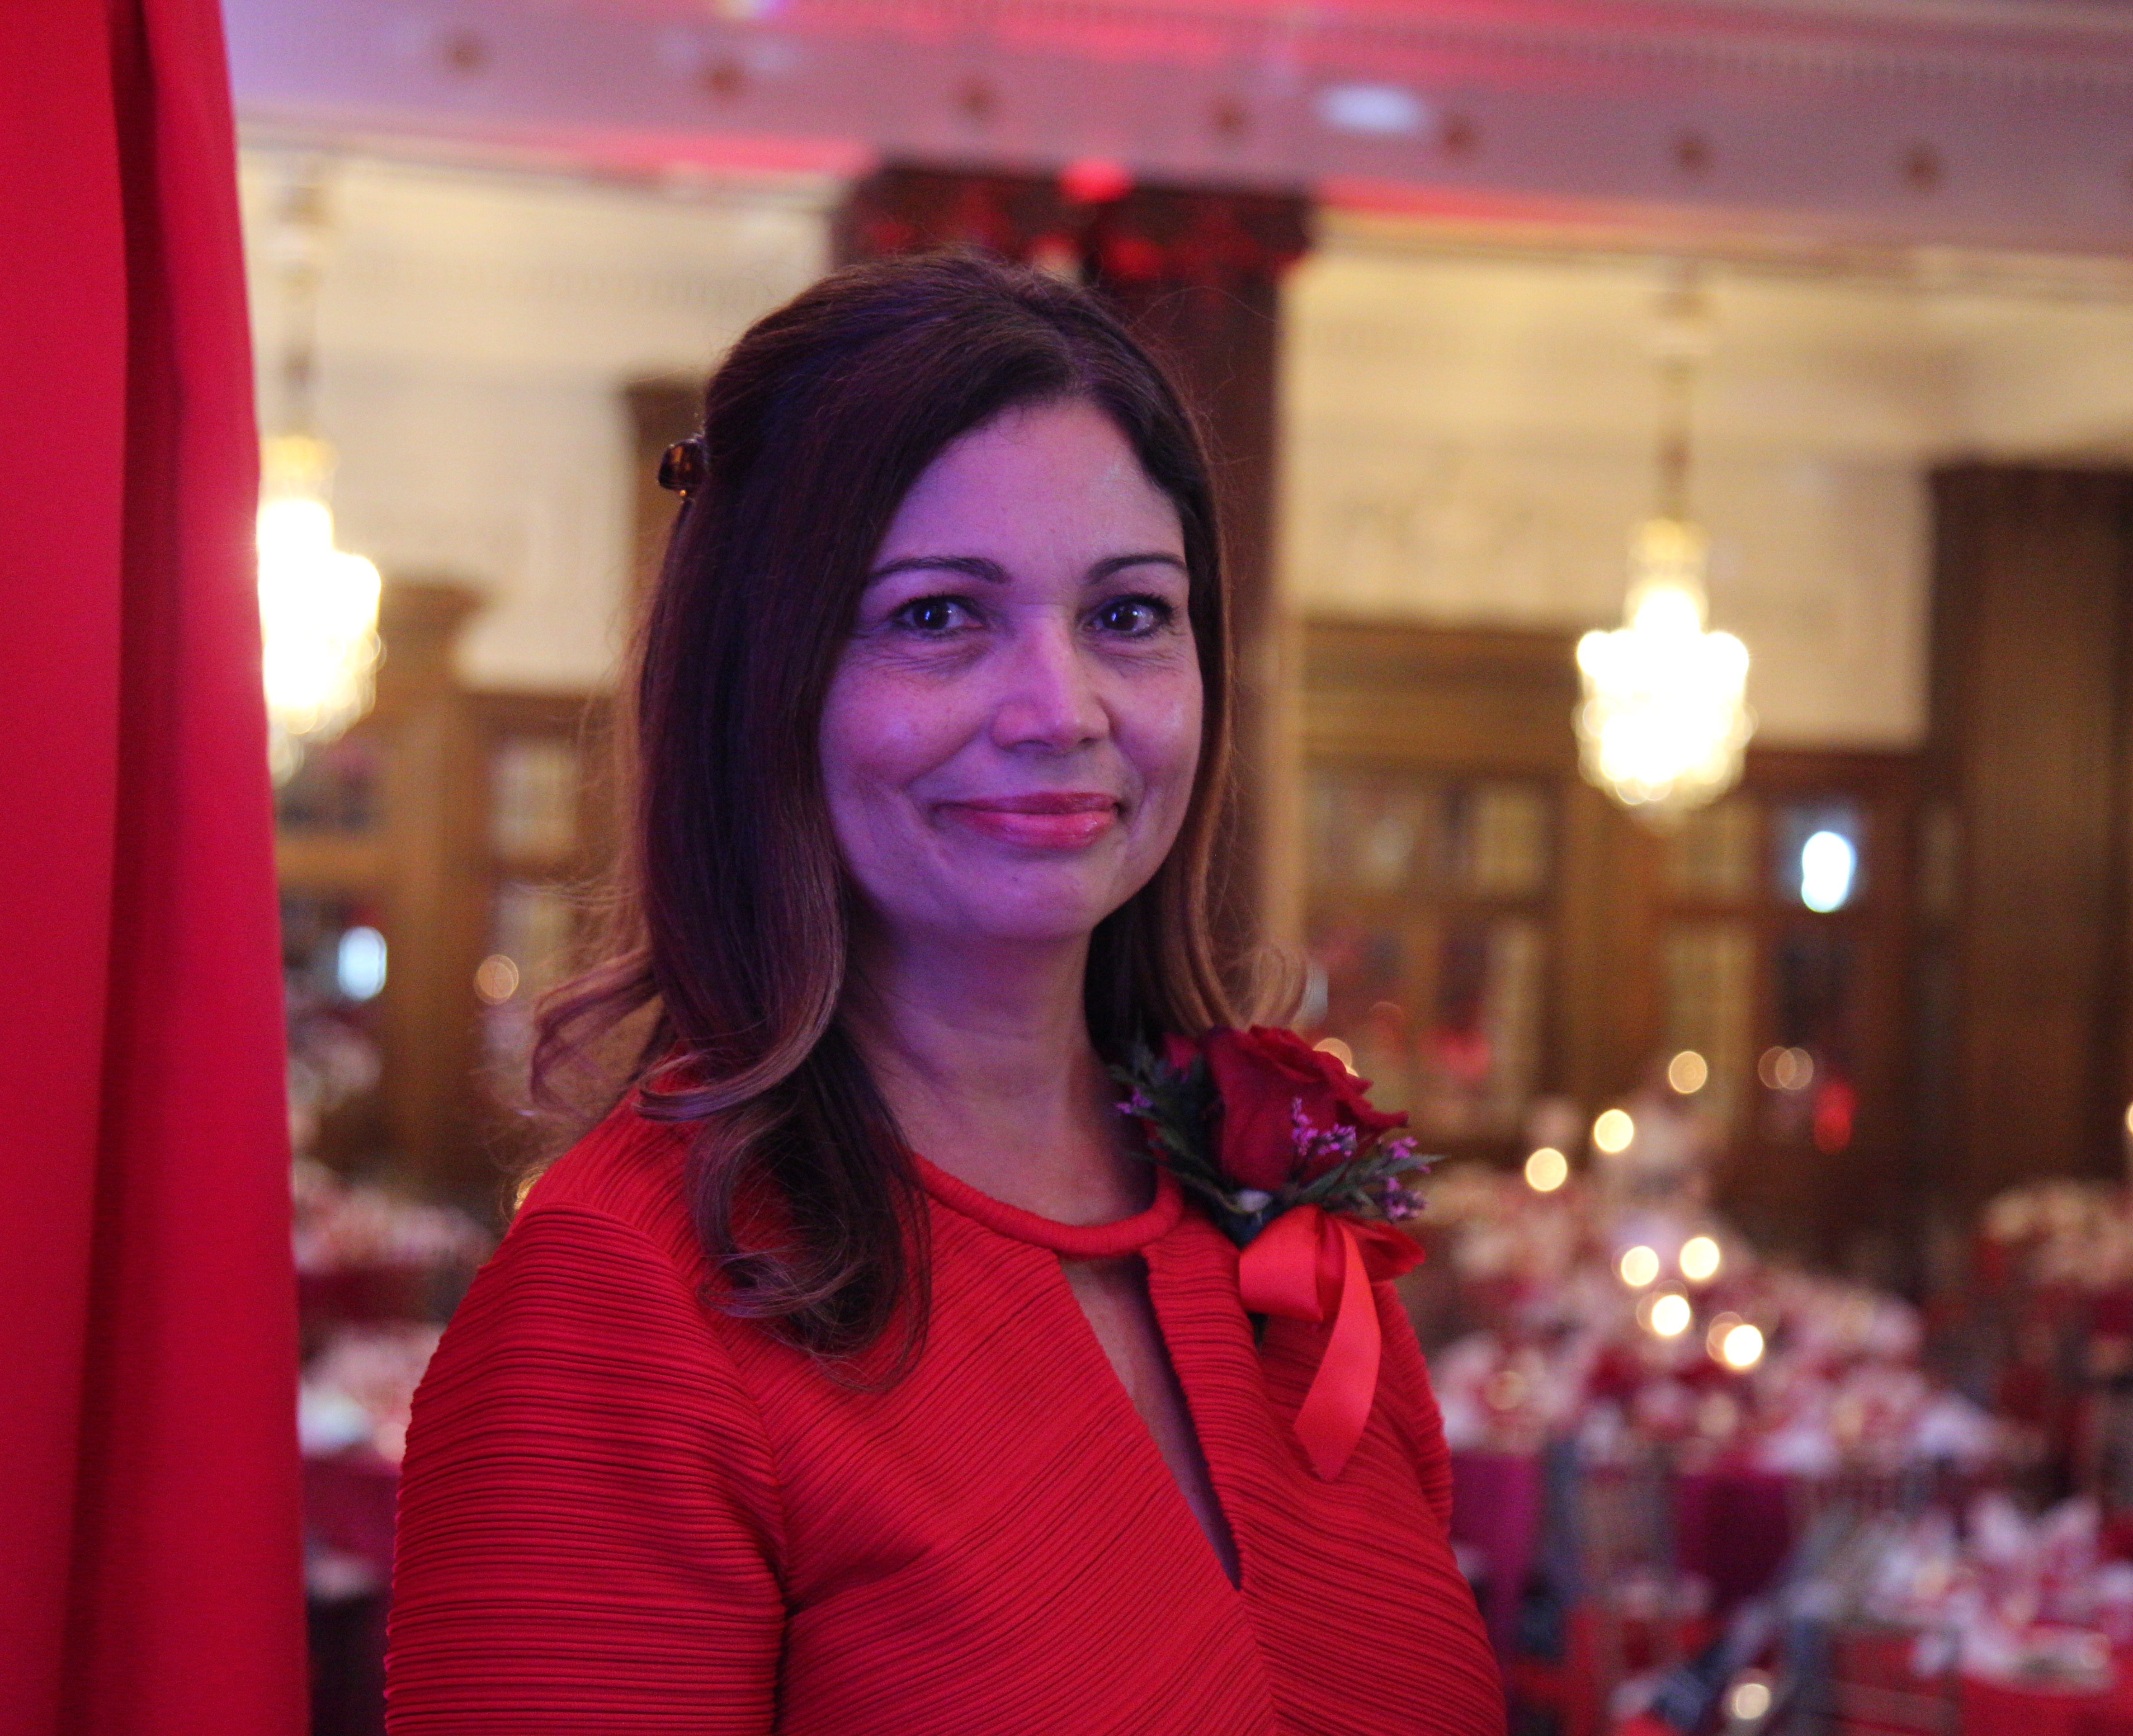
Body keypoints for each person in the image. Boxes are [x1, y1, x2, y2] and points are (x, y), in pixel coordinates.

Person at [385, 252, 1504, 1736]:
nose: (1062, 710)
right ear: (760, 686)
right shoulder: (625, 1299)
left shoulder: (1276, 1219)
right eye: (935, 617)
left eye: (1127, 616)